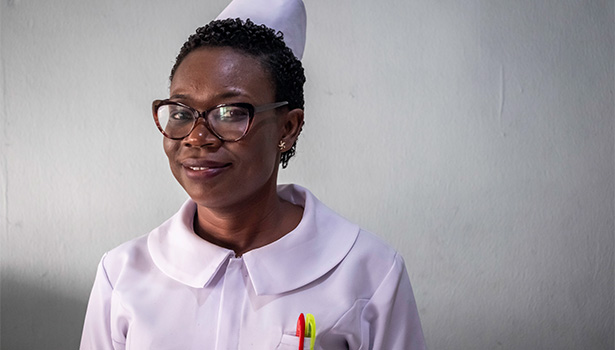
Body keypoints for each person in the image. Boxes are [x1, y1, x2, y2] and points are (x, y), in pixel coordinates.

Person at [80, 2, 425, 349]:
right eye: (182, 112)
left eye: (230, 112)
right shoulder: (122, 274)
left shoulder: (368, 272)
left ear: (288, 127)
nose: (197, 136)